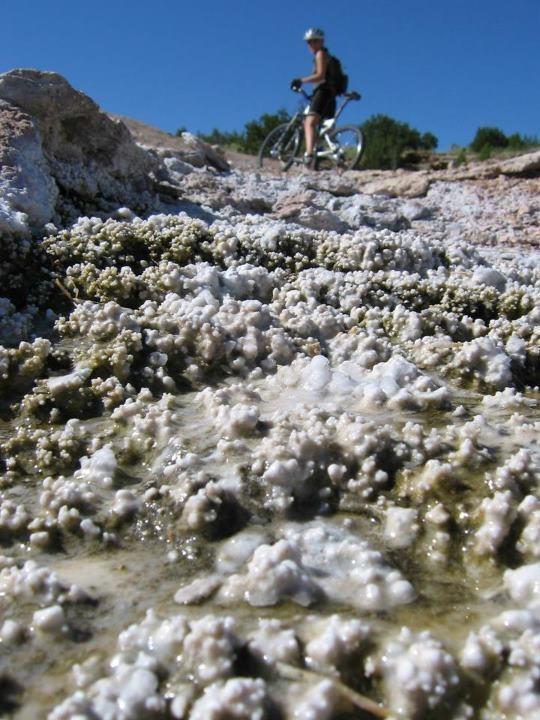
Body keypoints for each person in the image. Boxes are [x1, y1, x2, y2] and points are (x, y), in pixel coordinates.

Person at [291, 28, 337, 167]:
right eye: (309, 42)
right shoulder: (327, 55)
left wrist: (301, 80)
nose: (311, 44)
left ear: (321, 41)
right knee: (320, 127)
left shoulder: (320, 54)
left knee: (309, 122)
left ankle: (309, 154)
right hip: (330, 94)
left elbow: (320, 76)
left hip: (323, 92)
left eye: (314, 41)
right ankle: (319, 158)